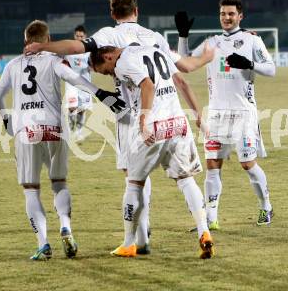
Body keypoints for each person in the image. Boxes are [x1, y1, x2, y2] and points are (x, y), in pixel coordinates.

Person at [24, 0, 208, 255]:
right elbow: (182, 69)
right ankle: (201, 229)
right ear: (137, 10)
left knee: (134, 179)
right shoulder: (154, 36)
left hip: (130, 116)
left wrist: (43, 46)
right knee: (183, 177)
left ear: (112, 12)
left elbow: (76, 47)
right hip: (170, 112)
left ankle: (138, 240)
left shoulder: (108, 35)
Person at [0, 20, 126, 260]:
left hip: (27, 131)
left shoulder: (12, 65)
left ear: (26, 40)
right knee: (59, 183)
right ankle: (66, 226)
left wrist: (7, 122)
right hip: (55, 128)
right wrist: (101, 94)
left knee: (31, 189)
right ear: (48, 39)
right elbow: (74, 78)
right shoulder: (54, 61)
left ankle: (43, 243)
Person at [90, 44, 215, 259]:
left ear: (108, 56)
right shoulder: (156, 50)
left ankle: (129, 243)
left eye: (105, 70)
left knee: (134, 184)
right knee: (186, 180)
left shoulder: (123, 63)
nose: (110, 74)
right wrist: (198, 116)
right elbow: (182, 81)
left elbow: (148, 86)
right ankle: (204, 231)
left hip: (154, 127)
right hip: (177, 123)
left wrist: (143, 119)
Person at [176, 0, 276, 228]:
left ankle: (266, 207)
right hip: (217, 114)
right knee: (212, 165)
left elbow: (271, 69)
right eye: (223, 13)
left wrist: (250, 65)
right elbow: (185, 62)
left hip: (243, 112)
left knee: (248, 165)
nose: (226, 17)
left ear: (240, 16)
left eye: (231, 14)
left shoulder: (252, 41)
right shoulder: (212, 42)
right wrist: (183, 36)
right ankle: (211, 218)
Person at [64, 25, 92, 140]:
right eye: (77, 36)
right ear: (74, 36)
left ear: (85, 36)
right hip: (71, 83)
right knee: (72, 107)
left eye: (81, 36)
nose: (79, 38)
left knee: (81, 110)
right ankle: (70, 130)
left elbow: (94, 65)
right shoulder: (68, 49)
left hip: (85, 84)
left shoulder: (90, 51)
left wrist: (91, 66)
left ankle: (79, 132)